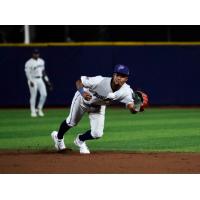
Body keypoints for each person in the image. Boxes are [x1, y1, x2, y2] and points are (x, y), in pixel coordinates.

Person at [51, 64, 148, 154]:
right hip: (82, 101)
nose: (119, 78)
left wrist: (135, 110)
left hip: (98, 107)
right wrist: (83, 93)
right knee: (71, 122)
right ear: (114, 75)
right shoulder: (99, 80)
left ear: (126, 79)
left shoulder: (126, 91)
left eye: (122, 76)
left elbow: (130, 106)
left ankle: (80, 140)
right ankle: (58, 138)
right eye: (117, 74)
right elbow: (79, 81)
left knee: (97, 133)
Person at [25, 49, 51, 117]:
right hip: (32, 79)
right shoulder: (29, 62)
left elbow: (43, 72)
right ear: (32, 54)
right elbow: (27, 73)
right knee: (34, 95)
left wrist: (47, 81)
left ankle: (39, 109)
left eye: (37, 53)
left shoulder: (41, 61)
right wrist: (30, 81)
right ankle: (33, 111)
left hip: (40, 79)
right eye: (35, 53)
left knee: (44, 94)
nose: (36, 54)